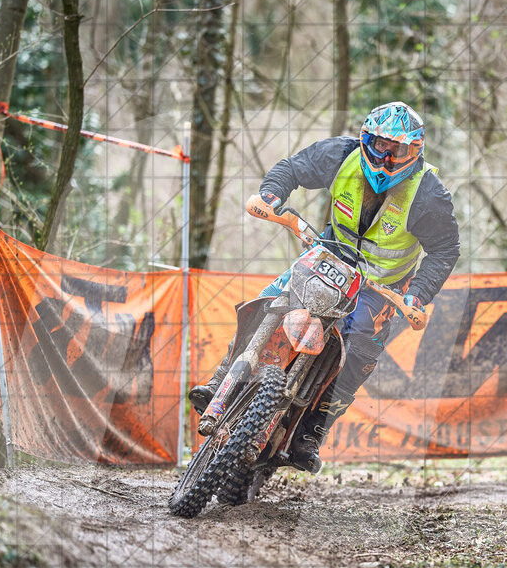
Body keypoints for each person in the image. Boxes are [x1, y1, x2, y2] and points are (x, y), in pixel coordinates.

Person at [189, 101, 460, 473]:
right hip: (328, 255)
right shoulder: (342, 154)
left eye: (398, 151)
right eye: (380, 145)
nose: (386, 158)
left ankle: (313, 430)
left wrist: (417, 295)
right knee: (270, 299)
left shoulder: (428, 192)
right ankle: (221, 379)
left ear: (416, 152)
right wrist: (271, 195)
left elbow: (445, 249)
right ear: (365, 140)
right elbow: (293, 168)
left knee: (361, 344)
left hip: (379, 285)